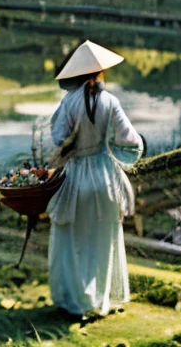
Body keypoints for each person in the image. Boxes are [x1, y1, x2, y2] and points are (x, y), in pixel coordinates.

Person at [46, 39, 144, 317]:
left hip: (75, 179)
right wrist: (122, 155)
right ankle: (100, 300)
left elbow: (57, 139)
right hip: (104, 178)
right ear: (99, 73)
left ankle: (75, 301)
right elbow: (131, 141)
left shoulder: (68, 102)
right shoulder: (111, 101)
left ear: (77, 73)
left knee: (73, 241)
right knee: (102, 241)